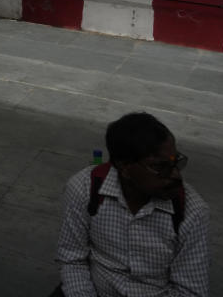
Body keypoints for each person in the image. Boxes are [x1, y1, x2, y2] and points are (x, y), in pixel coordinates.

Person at [54, 112, 209, 297]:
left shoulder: (192, 212)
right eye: (160, 167)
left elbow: (190, 292)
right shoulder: (84, 189)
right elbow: (73, 260)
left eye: (176, 162)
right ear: (125, 167)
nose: (175, 175)